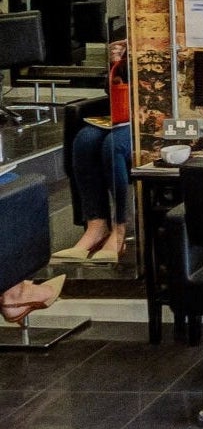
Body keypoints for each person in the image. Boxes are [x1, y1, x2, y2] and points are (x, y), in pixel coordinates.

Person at [52, 34, 132, 263]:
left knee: (112, 146)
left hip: (154, 119)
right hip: (123, 114)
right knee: (84, 140)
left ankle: (119, 228)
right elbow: (113, 91)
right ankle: (96, 225)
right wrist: (115, 65)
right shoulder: (131, 35)